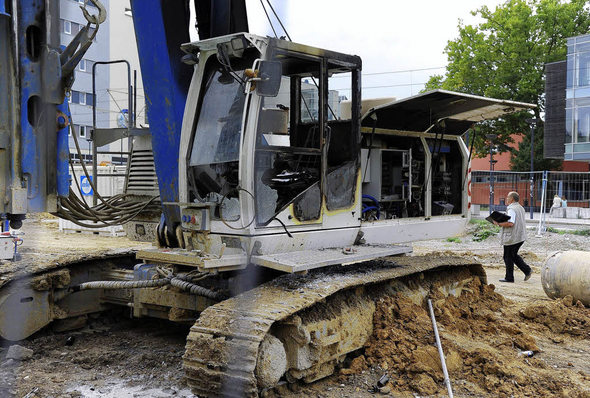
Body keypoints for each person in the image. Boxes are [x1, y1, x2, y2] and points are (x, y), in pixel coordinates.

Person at [493, 191, 532, 283]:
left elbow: (510, 223)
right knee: (513, 255)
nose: (506, 199)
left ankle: (509, 278)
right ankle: (527, 270)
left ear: (512, 199)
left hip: (512, 237)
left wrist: (498, 223)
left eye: (507, 197)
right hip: (520, 236)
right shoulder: (520, 208)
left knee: (507, 256)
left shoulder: (511, 209)